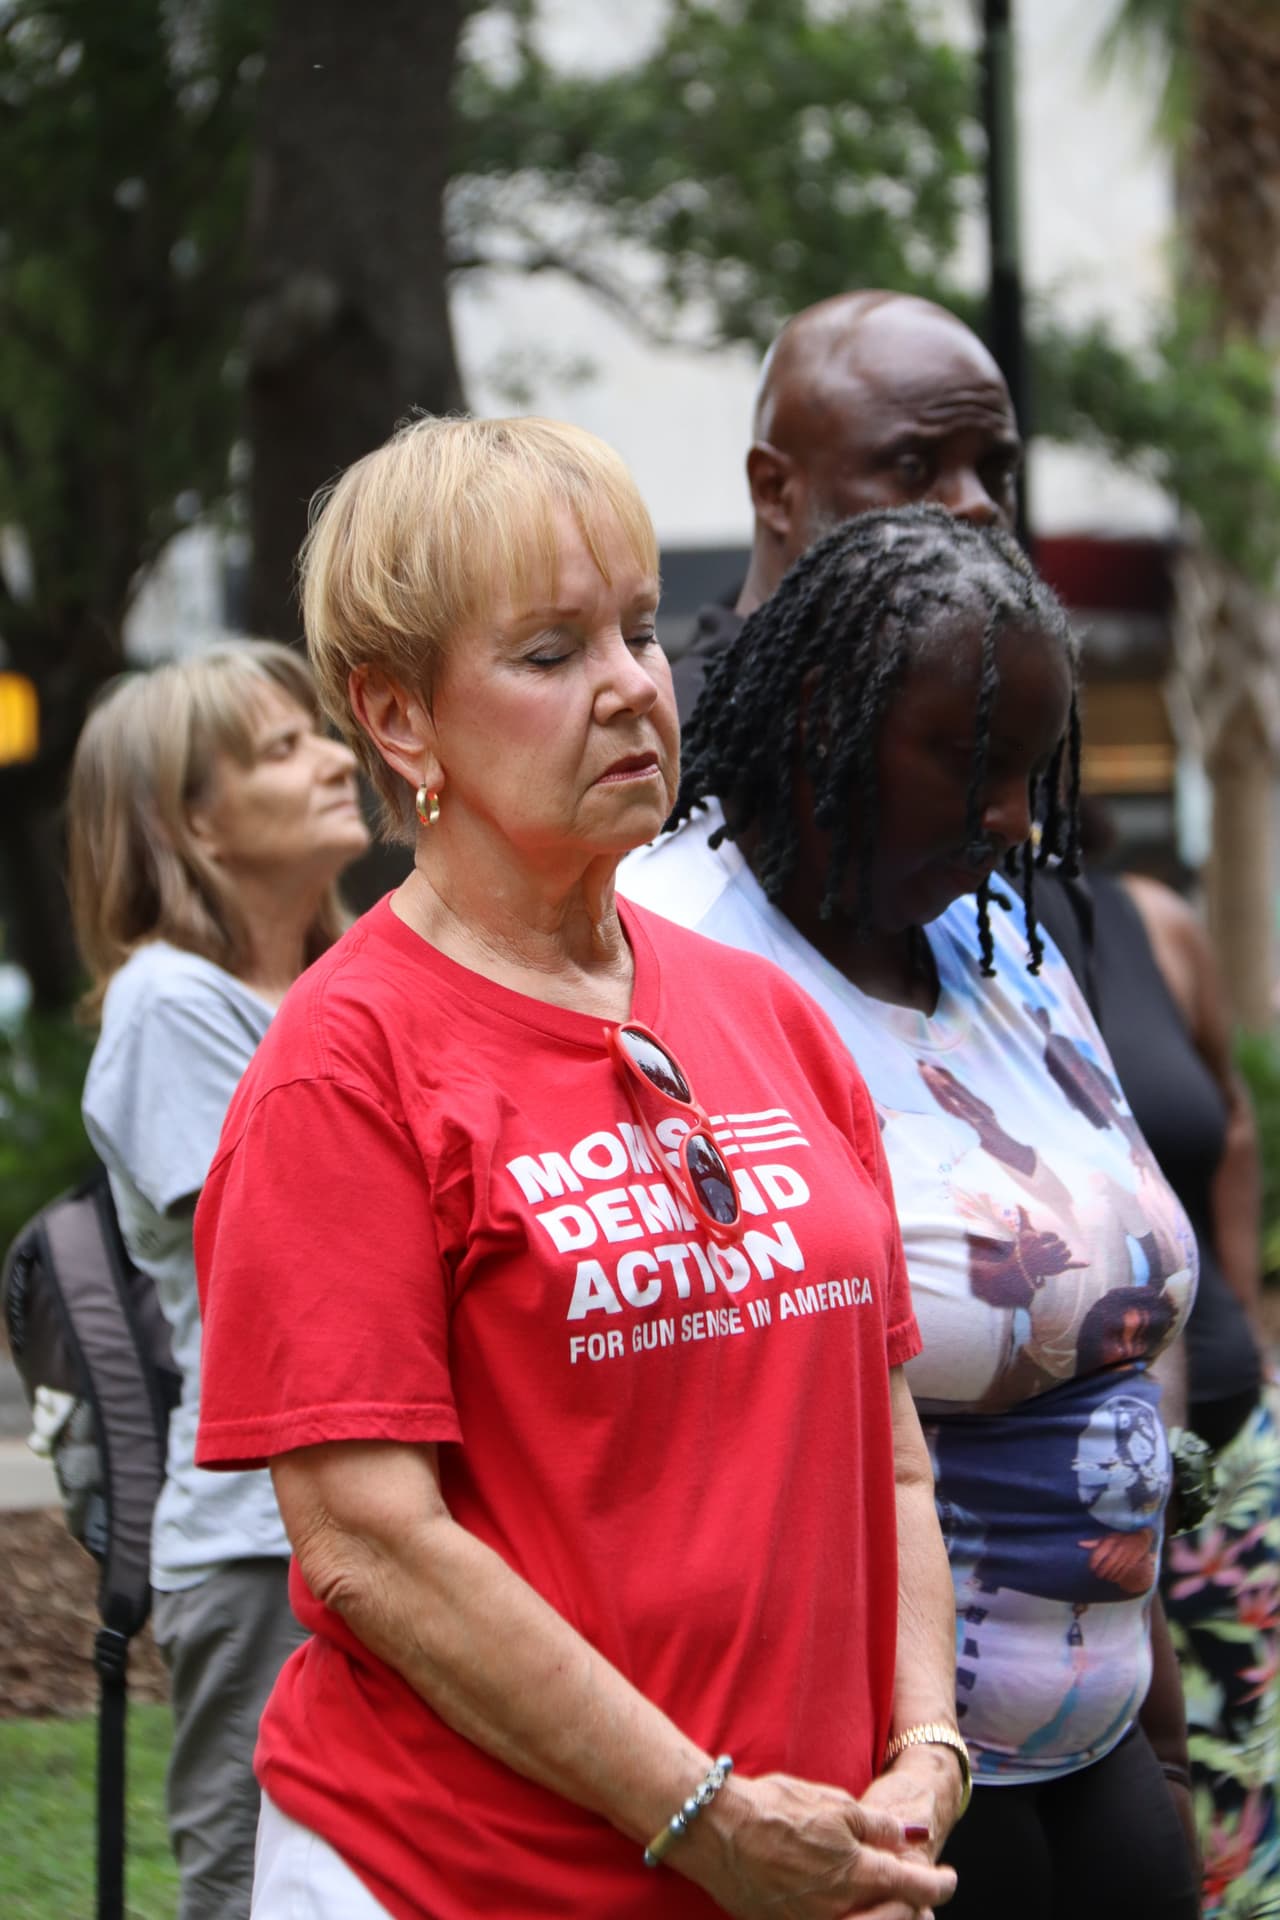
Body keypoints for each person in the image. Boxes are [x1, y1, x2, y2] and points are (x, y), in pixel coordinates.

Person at [191, 415, 964, 1920]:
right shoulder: (341, 1070)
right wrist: (705, 1816)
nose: (629, 687)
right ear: (399, 718)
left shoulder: (772, 1019)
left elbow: (890, 1465)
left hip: (807, 1870)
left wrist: (919, 1756)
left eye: (638, 631)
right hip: (458, 1880)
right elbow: (368, 1546)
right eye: (550, 653)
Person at [621, 504, 1200, 1920]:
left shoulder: (990, 942)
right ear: (825, 712)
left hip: (1102, 1738)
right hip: (870, 1769)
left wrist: (1159, 1711)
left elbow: (1116, 1316)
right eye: (969, 760)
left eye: (1026, 772)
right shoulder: (669, 948)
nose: (1012, 820)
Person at [68, 641, 370, 1920]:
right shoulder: (169, 1005)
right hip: (263, 1542)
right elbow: (289, 1257)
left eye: (320, 734)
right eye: (283, 749)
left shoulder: (335, 983)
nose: (338, 759)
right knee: (254, 1888)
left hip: (380, 1521)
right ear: (193, 823)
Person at [1078, 825, 1280, 1914]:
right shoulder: (928, 948)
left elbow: (1231, 1124)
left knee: (1249, 1823)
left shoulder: (1152, 922)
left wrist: (1239, 1314)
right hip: (1072, 1513)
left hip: (1227, 1453)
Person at [671, 289, 1022, 721]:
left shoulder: (998, 723)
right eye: (913, 467)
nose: (978, 503)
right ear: (774, 491)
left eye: (996, 471)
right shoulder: (673, 746)